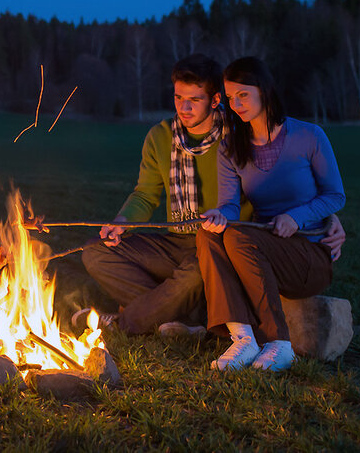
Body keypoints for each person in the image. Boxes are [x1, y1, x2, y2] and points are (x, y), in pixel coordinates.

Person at [77, 54, 245, 336]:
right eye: (179, 97)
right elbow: (145, 194)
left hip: (219, 243)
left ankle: (125, 322)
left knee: (194, 274)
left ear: (216, 100)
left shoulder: (239, 136)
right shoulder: (160, 136)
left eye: (195, 99)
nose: (184, 107)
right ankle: (185, 318)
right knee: (95, 252)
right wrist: (122, 221)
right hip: (175, 239)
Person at [199, 56, 346, 372]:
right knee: (208, 233)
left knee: (239, 236)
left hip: (309, 254)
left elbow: (335, 195)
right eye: (230, 97)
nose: (236, 104)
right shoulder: (230, 147)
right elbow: (229, 206)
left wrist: (297, 217)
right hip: (261, 252)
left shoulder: (309, 136)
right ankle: (243, 338)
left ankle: (279, 344)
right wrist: (219, 215)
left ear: (263, 90)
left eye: (243, 95)